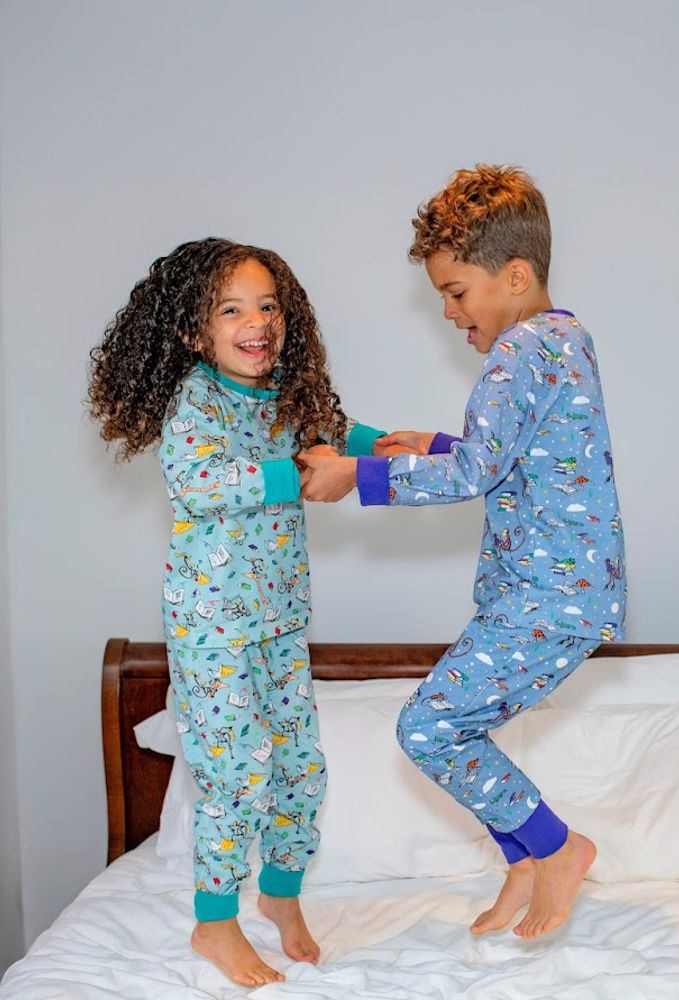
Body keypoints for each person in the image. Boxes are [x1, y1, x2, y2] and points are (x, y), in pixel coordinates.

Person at [297, 165, 627, 939]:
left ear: (516, 275)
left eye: (456, 291)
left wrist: (360, 475)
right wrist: (438, 441)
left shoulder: (519, 352)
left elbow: (479, 473)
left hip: (550, 599)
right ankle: (523, 860)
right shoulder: (563, 339)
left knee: (429, 728)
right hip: (554, 594)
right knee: (452, 729)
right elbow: (532, 458)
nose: (448, 312)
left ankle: (558, 849)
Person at [88, 237, 392, 985]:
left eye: (268, 305)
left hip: (280, 619)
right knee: (235, 774)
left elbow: (329, 433)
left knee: (300, 767)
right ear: (196, 331)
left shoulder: (285, 389)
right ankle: (213, 923)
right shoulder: (194, 399)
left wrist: (380, 447)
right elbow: (203, 484)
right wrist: (302, 472)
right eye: (232, 310)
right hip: (212, 627)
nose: (257, 322)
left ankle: (280, 896)